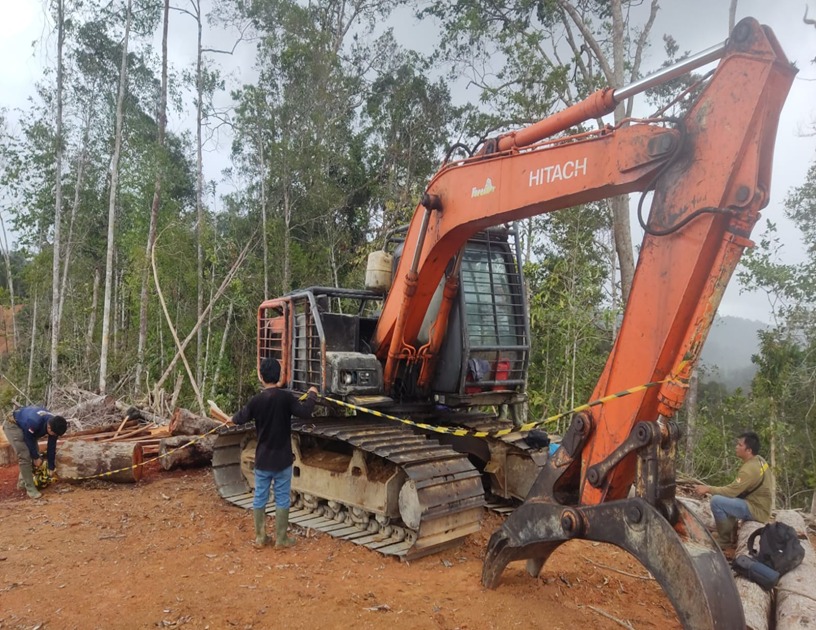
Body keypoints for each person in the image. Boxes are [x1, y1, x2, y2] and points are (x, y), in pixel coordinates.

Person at [232, 357, 319, 548]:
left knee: (260, 497)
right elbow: (305, 412)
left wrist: (230, 417)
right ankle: (281, 539)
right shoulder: (286, 398)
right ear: (279, 376)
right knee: (282, 498)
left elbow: (238, 419)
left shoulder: (256, 401)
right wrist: (312, 395)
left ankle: (260, 537)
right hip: (283, 460)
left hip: (263, 460)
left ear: (261, 377)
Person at [693, 431, 773, 549]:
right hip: (762, 505)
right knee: (728, 499)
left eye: (740, 445)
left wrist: (707, 489)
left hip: (756, 510)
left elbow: (731, 491)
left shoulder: (748, 470)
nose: (736, 447)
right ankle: (731, 534)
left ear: (749, 450)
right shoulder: (759, 460)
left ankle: (724, 541)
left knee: (716, 501)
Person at [2, 406, 68, 499]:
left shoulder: (54, 424)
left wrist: (51, 466)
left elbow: (51, 446)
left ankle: (22, 483)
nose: (55, 436)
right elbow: (28, 438)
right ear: (49, 427)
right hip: (13, 425)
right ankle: (30, 489)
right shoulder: (35, 422)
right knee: (25, 455)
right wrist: (36, 457)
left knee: (35, 452)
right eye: (54, 434)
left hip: (28, 428)